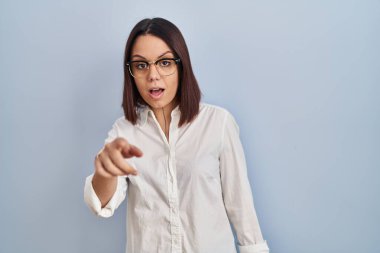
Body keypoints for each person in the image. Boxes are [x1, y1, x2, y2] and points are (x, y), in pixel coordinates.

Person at [84, 17, 270, 253]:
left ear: (181, 65)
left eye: (164, 63)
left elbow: (241, 206)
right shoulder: (124, 132)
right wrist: (105, 170)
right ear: (131, 72)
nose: (153, 75)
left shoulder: (218, 123)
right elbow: (101, 204)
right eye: (141, 65)